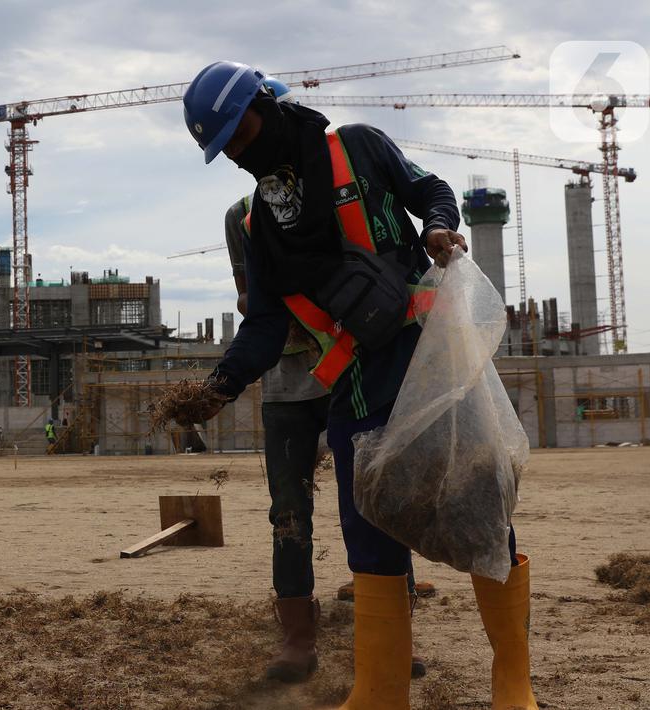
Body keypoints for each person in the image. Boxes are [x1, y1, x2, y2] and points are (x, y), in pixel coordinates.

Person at [183, 62, 536, 710]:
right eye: (226, 147)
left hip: (431, 370)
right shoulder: (262, 225)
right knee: (366, 529)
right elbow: (263, 323)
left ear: (267, 104)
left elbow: (427, 188)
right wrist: (218, 386)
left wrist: (434, 228)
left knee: (478, 510)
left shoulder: (357, 149)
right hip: (352, 389)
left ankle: (512, 682)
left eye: (241, 131)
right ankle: (379, 692)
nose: (239, 151)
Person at [227, 190, 428, 684]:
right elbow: (249, 299)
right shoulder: (242, 218)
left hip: (357, 376)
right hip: (288, 388)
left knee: (376, 503)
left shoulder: (342, 192)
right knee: (289, 511)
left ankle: (394, 638)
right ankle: (298, 640)